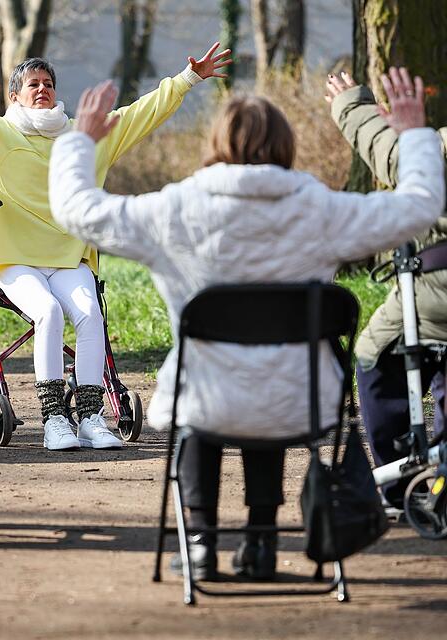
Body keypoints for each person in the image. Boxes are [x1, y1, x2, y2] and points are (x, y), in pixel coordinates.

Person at [49, 68, 443, 580]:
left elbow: (77, 210)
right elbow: (418, 208)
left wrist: (81, 143)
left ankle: (198, 544)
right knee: (269, 397)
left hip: (206, 396)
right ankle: (259, 541)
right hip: (299, 402)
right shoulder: (319, 208)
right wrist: (412, 135)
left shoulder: (177, 208)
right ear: (285, 144)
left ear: (215, 143)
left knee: (206, 408)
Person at [0, 44, 231, 451]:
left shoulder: (83, 135)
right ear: (14, 96)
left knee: (91, 315)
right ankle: (55, 419)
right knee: (49, 312)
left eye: (49, 84)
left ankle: (91, 418)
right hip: (12, 258)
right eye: (33, 84)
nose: (43, 90)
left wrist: (187, 79)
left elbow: (137, 115)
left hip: (70, 255)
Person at [326, 68, 447, 508]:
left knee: (375, 356)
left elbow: (397, 159)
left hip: (436, 291)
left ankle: (401, 485)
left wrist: (353, 107)